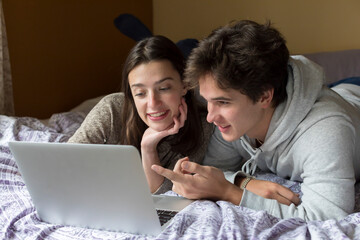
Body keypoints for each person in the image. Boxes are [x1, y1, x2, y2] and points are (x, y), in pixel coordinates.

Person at [152, 20, 360, 221]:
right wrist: (245, 182)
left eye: (223, 102)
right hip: (323, 94)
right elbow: (215, 169)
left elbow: (327, 218)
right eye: (208, 101)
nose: (211, 117)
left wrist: (230, 192)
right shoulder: (235, 115)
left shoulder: (325, 130)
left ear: (263, 96)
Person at [68, 35, 214, 194]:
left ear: (184, 85)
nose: (153, 103)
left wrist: (148, 148)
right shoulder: (112, 109)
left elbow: (163, 196)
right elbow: (63, 163)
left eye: (164, 88)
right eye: (140, 93)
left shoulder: (202, 126)